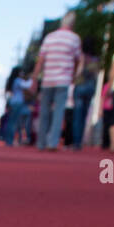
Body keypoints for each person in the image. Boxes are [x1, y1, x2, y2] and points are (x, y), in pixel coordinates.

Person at [33, 12, 83, 150]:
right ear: (72, 24)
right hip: (63, 79)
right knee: (58, 112)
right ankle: (52, 142)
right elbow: (77, 59)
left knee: (44, 111)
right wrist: (73, 75)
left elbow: (41, 60)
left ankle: (41, 142)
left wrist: (35, 78)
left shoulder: (50, 37)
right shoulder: (74, 39)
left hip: (47, 79)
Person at [72, 48, 98, 150]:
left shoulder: (80, 57)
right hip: (90, 89)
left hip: (80, 88)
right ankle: (79, 141)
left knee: (77, 116)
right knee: (83, 116)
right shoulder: (95, 60)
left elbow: (77, 73)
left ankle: (76, 142)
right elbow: (96, 76)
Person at [2, 66, 32, 146]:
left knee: (10, 122)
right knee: (14, 122)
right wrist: (32, 78)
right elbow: (27, 85)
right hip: (18, 103)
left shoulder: (11, 81)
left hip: (12, 102)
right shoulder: (18, 80)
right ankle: (10, 141)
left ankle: (8, 140)